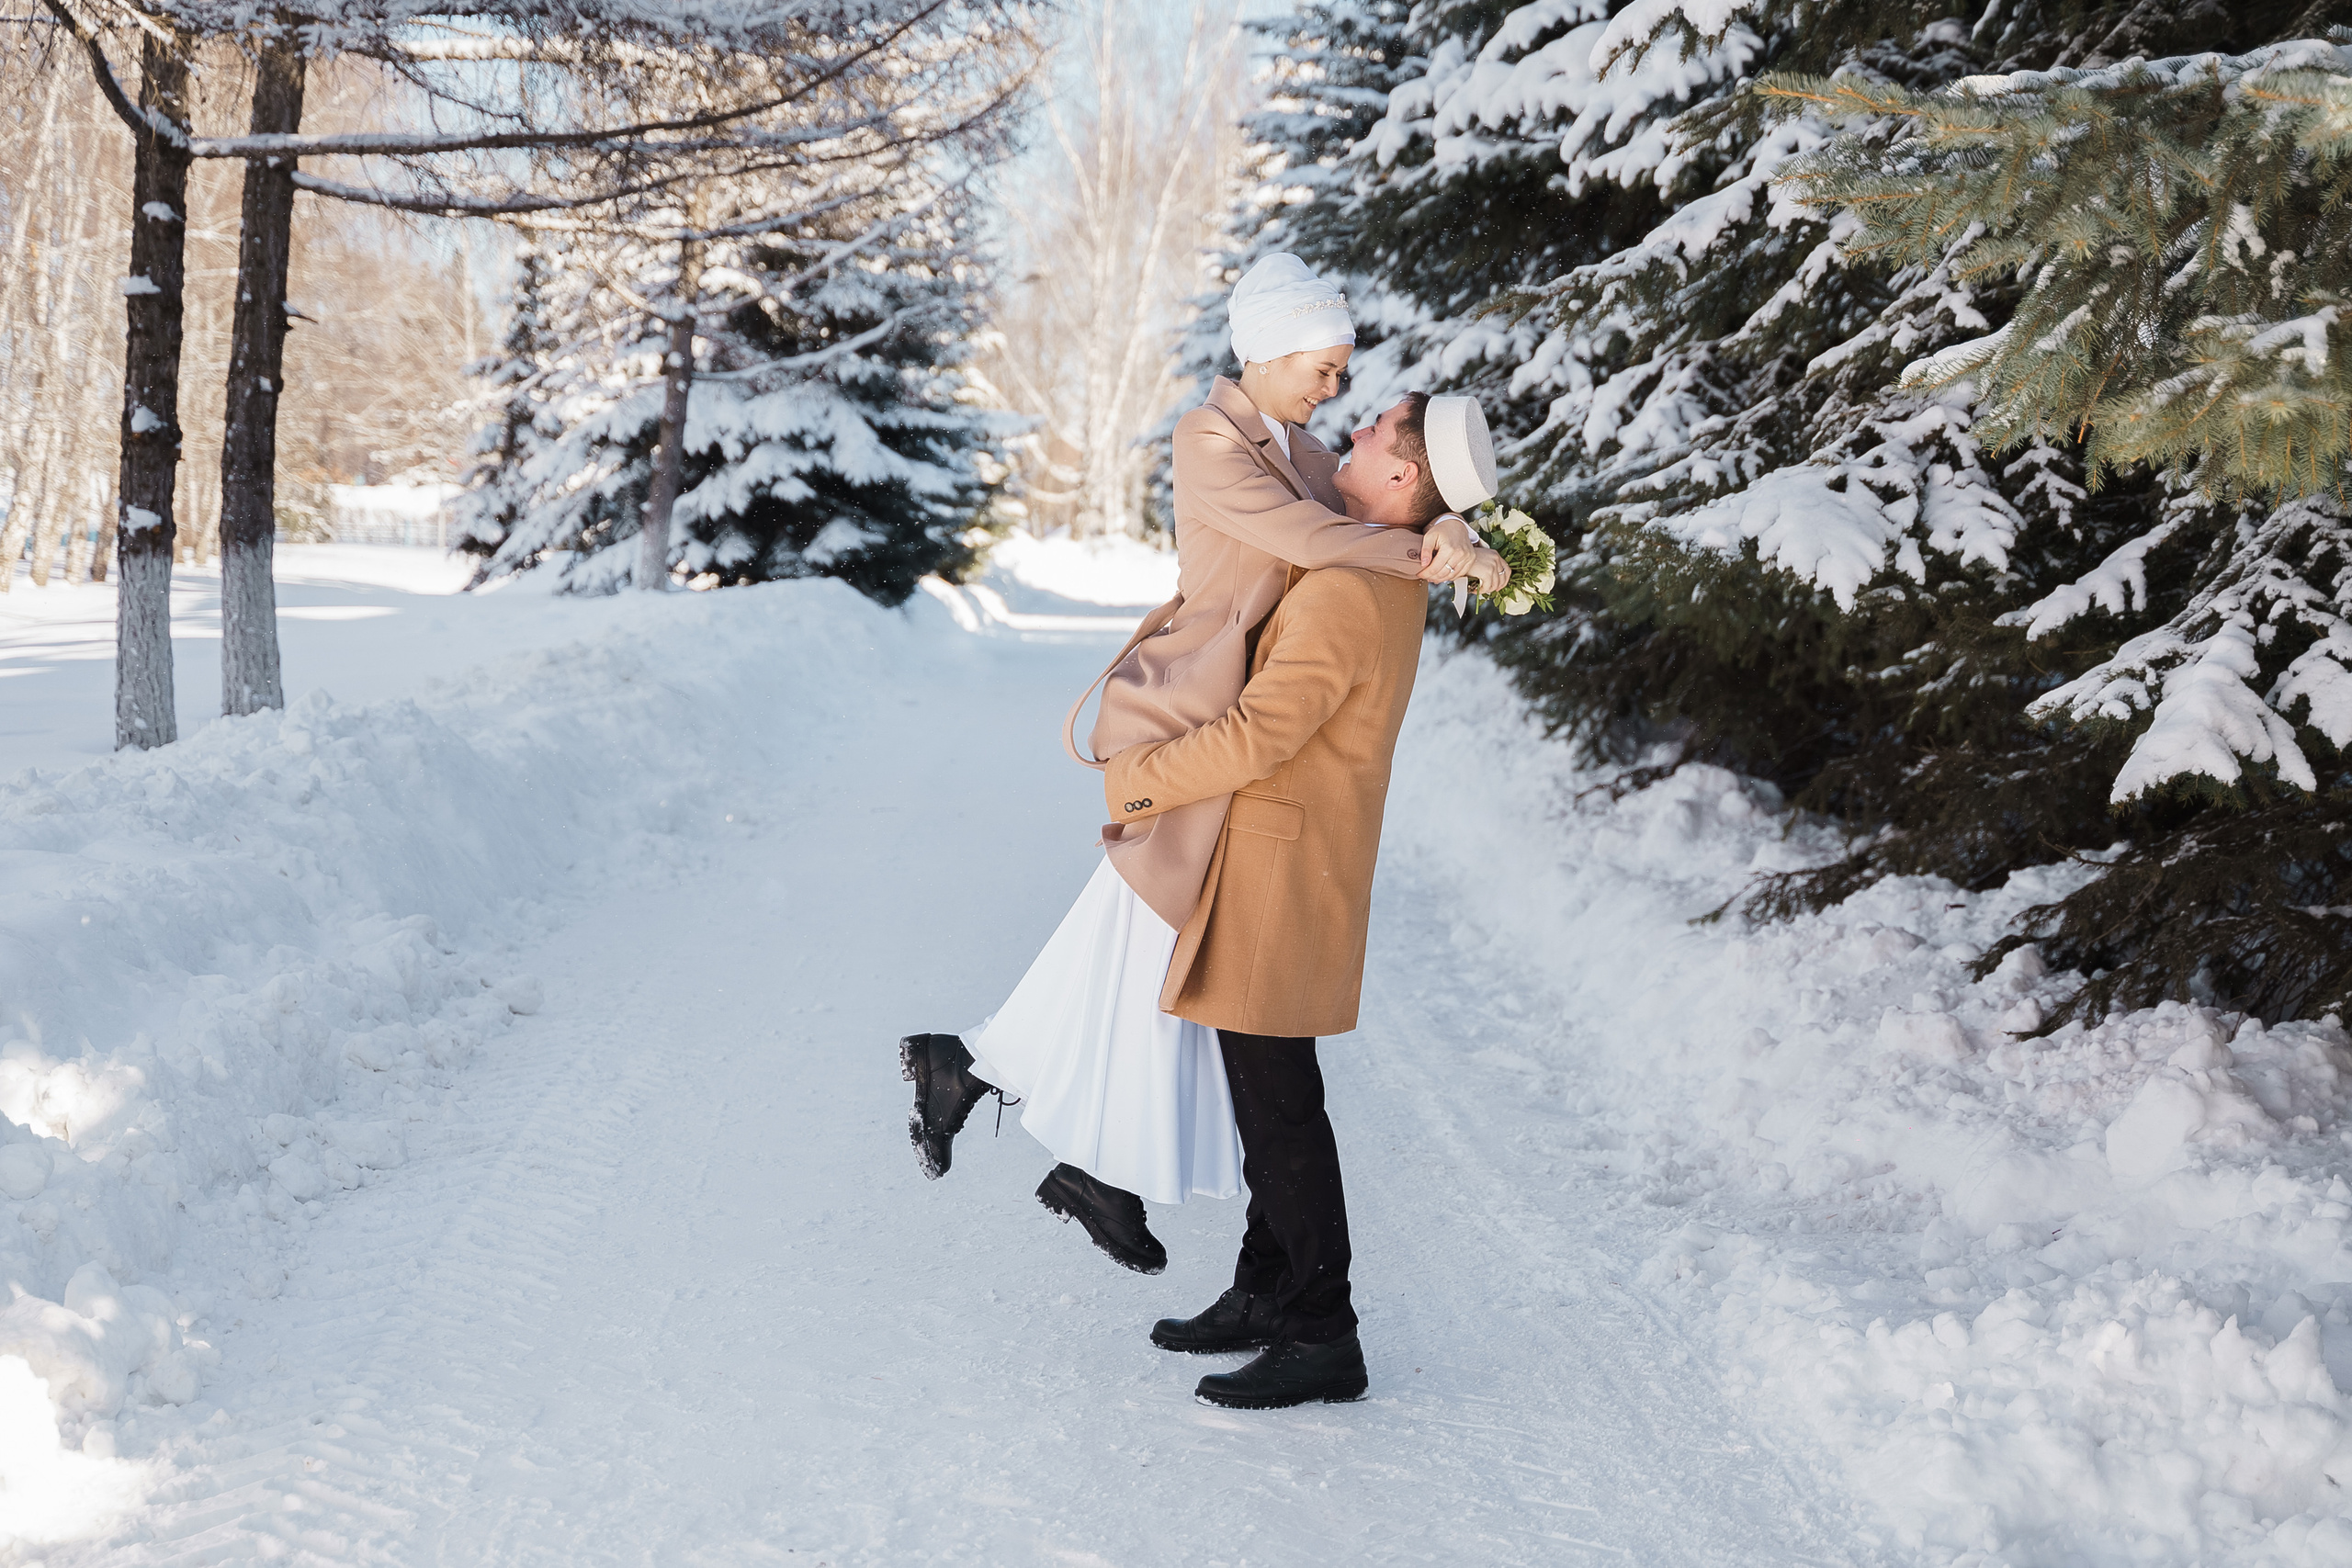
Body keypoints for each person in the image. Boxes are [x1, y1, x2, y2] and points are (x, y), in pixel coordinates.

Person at [899, 254, 1507, 1272]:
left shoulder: (1302, 446)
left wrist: (1448, 523)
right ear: (1268, 351)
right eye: (1322, 366)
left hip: (1231, 729)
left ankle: (994, 1088)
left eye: (1341, 370)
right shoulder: (1213, 439)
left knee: (1152, 934)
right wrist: (1430, 552)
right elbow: (1319, 533)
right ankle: (1038, 1119)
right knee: (1158, 929)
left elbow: (1384, 500)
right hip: (1187, 713)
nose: (1333, 388)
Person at [1103, 390, 1492, 1408]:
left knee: (1279, 1112)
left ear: (1403, 478)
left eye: (1373, 434)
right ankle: (1266, 1289)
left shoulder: (1343, 592)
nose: (1350, 434)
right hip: (1297, 855)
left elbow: (1257, 737)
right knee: (1272, 1096)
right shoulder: (1384, 568)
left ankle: (1322, 1329)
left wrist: (1135, 780)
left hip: (1279, 866)